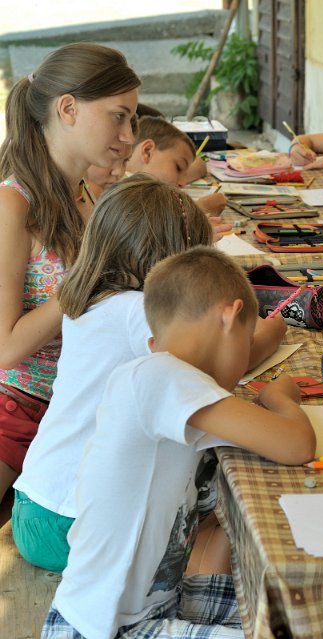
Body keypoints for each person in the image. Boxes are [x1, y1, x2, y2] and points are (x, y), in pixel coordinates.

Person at [11, 175, 288, 573]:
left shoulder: (94, 301)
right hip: (74, 524)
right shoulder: (138, 313)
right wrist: (271, 333)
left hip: (37, 505)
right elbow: (219, 369)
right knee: (227, 528)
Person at [43, 246, 316, 638]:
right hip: (106, 628)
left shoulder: (167, 380)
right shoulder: (161, 377)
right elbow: (297, 445)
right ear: (231, 316)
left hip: (154, 606)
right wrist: (280, 398)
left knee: (294, 613)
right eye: (247, 340)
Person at [0, 42, 140, 504]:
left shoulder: (88, 195)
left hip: (79, 409)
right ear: (67, 109)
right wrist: (85, 282)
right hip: (16, 413)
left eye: (132, 119)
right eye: (118, 116)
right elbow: (5, 348)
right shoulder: (12, 204)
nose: (128, 135)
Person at [127, 115, 229, 218]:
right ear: (148, 151)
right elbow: (157, 224)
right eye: (178, 167)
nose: (183, 183)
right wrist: (199, 209)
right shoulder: (124, 197)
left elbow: (200, 164)